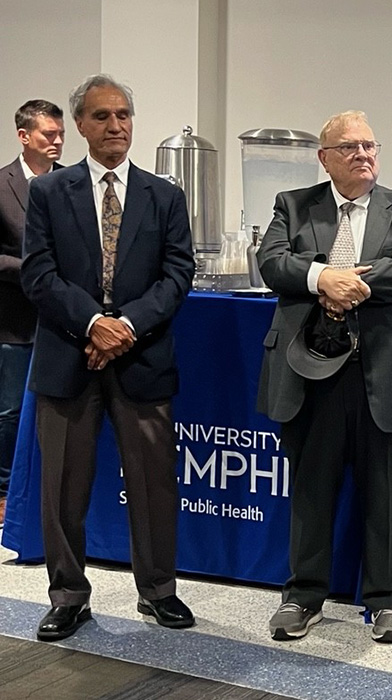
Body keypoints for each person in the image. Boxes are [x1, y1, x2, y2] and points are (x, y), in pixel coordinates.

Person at [256, 110, 392, 645]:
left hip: (383, 373)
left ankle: (387, 601)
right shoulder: (293, 206)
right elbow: (272, 262)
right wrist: (321, 277)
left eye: (370, 146)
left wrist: (354, 282)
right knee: (311, 489)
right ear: (325, 158)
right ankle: (302, 597)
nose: (363, 155)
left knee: (386, 491)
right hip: (309, 371)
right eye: (350, 148)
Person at [21, 74, 196, 641]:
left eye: (123, 115)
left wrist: (125, 326)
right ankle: (69, 596)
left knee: (153, 483)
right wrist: (94, 324)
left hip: (142, 360)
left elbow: (177, 273)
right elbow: (38, 274)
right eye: (101, 116)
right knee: (63, 486)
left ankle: (159, 591)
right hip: (67, 360)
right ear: (80, 126)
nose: (115, 125)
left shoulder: (164, 195)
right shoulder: (49, 192)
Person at [0, 100, 65, 528]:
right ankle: (5, 493)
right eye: (48, 135)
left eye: (61, 134)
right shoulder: (1, 185)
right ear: (25, 137)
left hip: (64, 318)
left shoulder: (71, 185)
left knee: (58, 409)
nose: (57, 141)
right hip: (14, 320)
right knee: (9, 411)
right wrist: (33, 271)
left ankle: (48, 494)